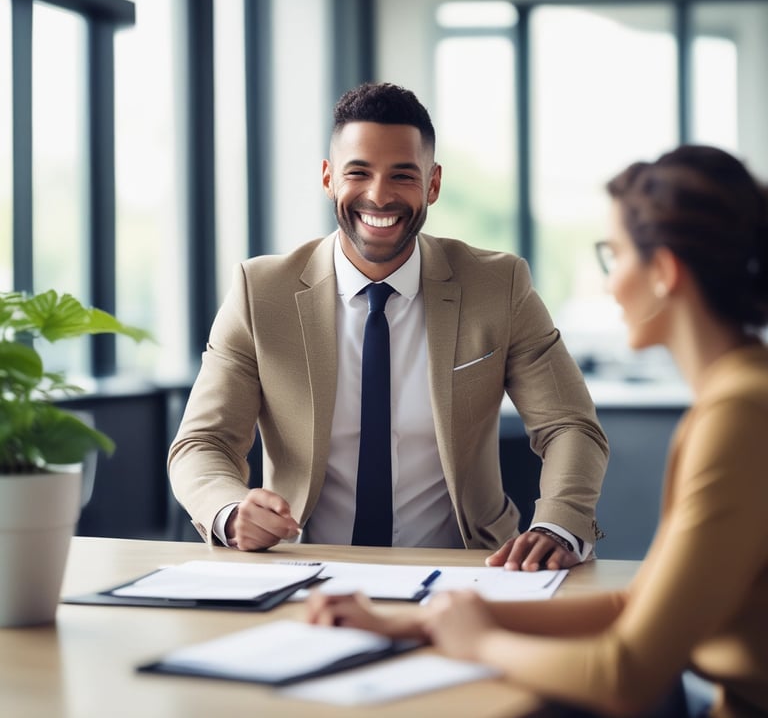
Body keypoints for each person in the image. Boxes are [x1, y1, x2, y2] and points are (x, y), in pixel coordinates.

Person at [307, 144, 768, 717]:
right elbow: (636, 604)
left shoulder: (739, 418)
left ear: (664, 273)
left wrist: (478, 643)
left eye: (613, 255)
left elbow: (623, 677)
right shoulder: (740, 398)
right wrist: (419, 623)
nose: (608, 284)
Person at [168, 82, 609, 571]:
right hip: (300, 567)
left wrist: (558, 522)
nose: (379, 196)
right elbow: (201, 443)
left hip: (469, 569)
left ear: (433, 184)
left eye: (402, 175)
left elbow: (569, 425)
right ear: (328, 178)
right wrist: (230, 512)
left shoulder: (498, 285)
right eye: (358, 172)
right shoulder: (260, 292)